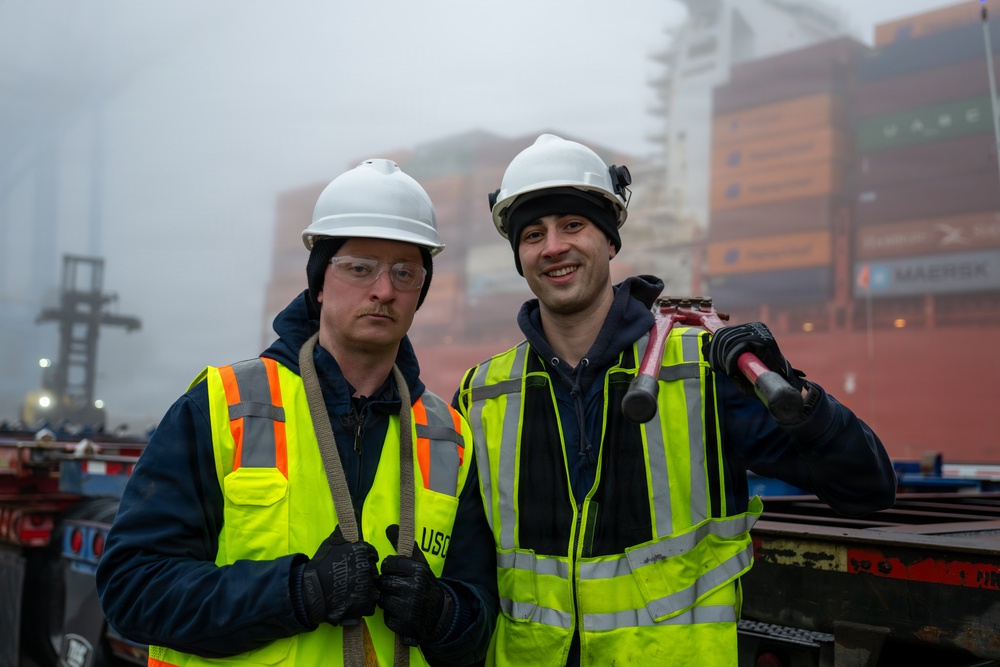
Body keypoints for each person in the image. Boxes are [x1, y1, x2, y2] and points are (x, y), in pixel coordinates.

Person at [454, 134, 896, 667]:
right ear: (519, 255)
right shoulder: (482, 394)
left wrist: (800, 398)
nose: (553, 247)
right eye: (533, 234)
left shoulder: (704, 371)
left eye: (573, 225)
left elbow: (867, 489)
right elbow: (468, 575)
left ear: (610, 240)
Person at [97, 158, 498, 667]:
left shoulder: (447, 437)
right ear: (319, 283)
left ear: (420, 292)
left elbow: (481, 618)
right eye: (360, 267)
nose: (383, 289)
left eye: (405, 272)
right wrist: (298, 592)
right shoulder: (221, 406)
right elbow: (133, 590)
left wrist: (444, 614)